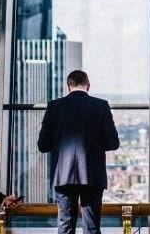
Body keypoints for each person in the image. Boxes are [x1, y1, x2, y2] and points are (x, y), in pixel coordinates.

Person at [37, 70, 119, 234]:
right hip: (92, 174)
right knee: (92, 227)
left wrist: (60, 143)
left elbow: (43, 145)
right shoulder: (101, 105)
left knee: (65, 227)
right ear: (88, 86)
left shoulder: (54, 106)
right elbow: (113, 143)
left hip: (63, 175)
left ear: (69, 87)